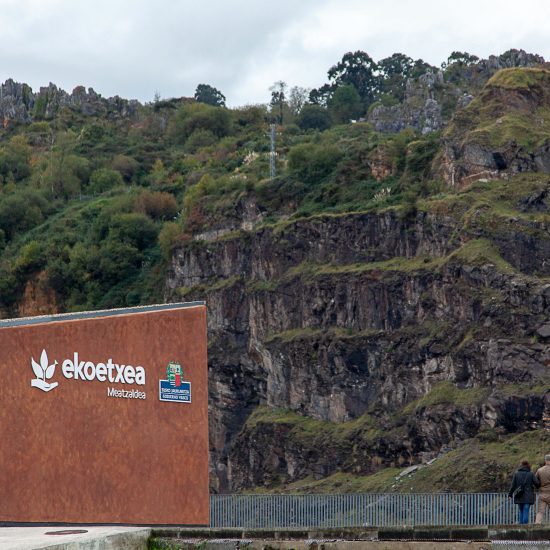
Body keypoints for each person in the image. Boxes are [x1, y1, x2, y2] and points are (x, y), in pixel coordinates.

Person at [508, 459, 540, 524]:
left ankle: (521, 527)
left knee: (521, 511)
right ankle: (525, 526)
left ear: (521, 465)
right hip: (528, 495)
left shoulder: (516, 474)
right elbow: (537, 483)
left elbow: (513, 485)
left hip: (519, 495)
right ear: (528, 465)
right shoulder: (530, 474)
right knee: (526, 511)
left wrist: (510, 494)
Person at [535, 454, 550, 524]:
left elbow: (535, 481)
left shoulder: (539, 470)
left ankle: (537, 525)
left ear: (545, 460)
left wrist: (538, 487)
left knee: (540, 512)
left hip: (542, 494)